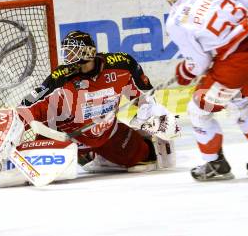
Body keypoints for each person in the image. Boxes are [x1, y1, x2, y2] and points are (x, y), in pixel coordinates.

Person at [152, 0, 248, 181]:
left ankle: (215, 164)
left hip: (235, 67)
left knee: (198, 110)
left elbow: (199, 64)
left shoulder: (177, 21)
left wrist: (184, 72)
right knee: (238, 102)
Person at [17, 30, 180, 173]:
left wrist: (150, 114)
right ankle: (87, 154)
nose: (68, 57)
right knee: (42, 169)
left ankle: (102, 154)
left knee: (144, 157)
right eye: (66, 52)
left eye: (73, 52)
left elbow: (142, 96)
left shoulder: (121, 65)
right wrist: (15, 122)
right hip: (69, 136)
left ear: (87, 52)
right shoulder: (61, 77)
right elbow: (31, 102)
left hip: (107, 134)